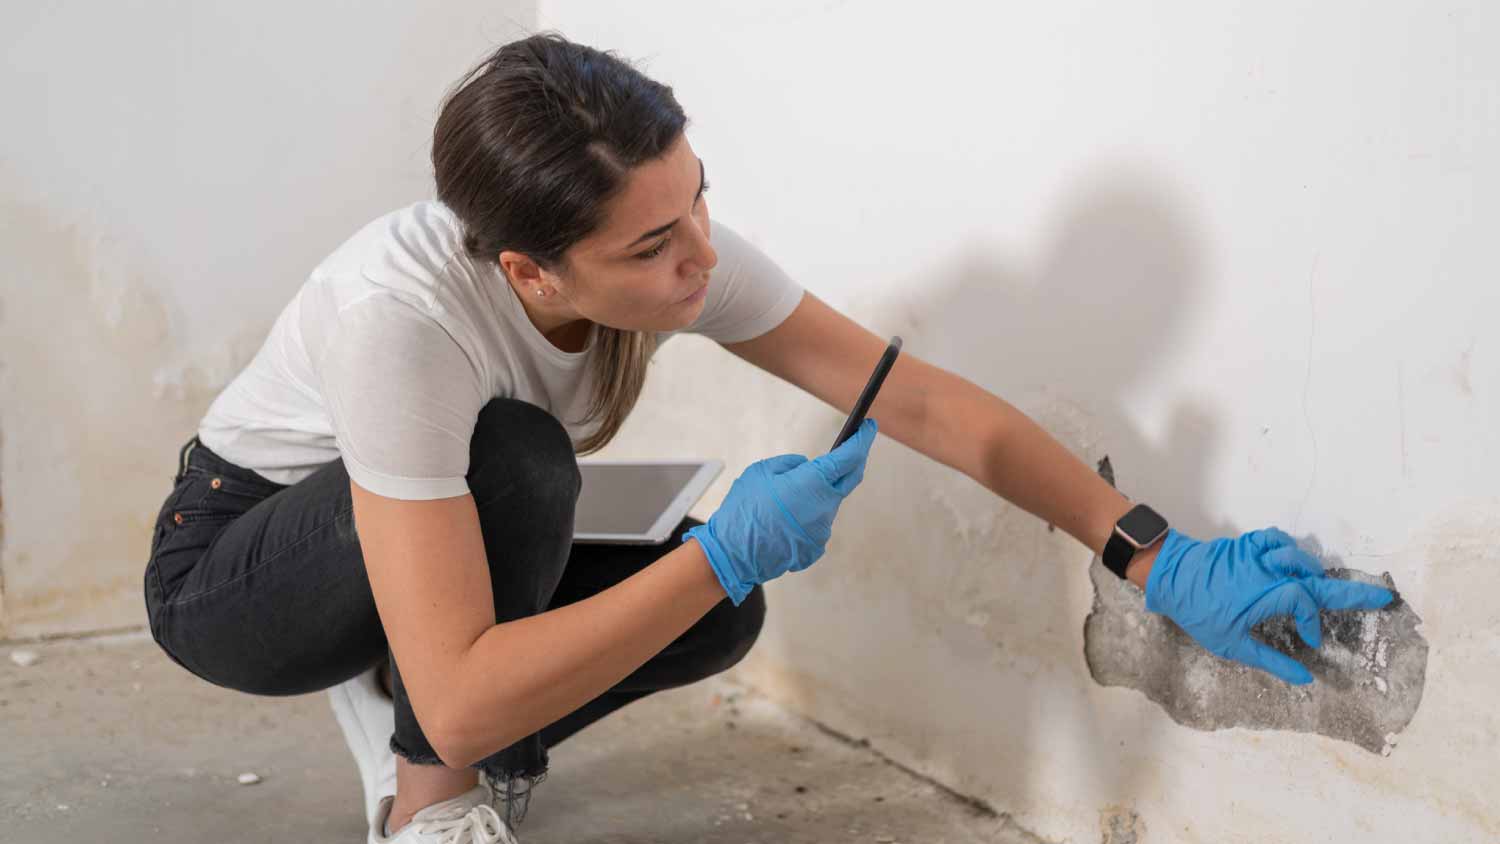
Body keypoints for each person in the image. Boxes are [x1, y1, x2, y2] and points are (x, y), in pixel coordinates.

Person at [142, 31, 1395, 844]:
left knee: (714, 617)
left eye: (700, 200)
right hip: (244, 561)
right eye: (652, 247)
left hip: (430, 525)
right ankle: (426, 809)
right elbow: (469, 701)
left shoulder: (666, 239)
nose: (699, 259)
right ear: (532, 271)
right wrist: (717, 553)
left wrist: (1156, 560)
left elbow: (924, 403)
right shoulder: (402, 325)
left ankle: (410, 669)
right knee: (524, 468)